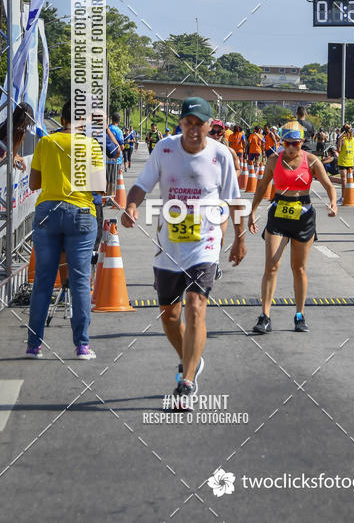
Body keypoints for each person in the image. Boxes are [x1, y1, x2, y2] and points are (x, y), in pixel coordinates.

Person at [121, 97, 246, 406]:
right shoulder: (164, 149)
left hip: (205, 243)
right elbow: (142, 184)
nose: (193, 129)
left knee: (195, 306)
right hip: (170, 244)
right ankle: (191, 356)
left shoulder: (221, 156)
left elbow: (233, 200)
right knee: (169, 315)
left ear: (209, 125)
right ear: (181, 123)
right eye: (188, 123)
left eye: (199, 124)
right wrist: (131, 205)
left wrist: (240, 237)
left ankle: (187, 382)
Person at [26, 100, 105, 359]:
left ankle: (33, 346)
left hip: (47, 212)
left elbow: (35, 183)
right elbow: (99, 188)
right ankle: (82, 345)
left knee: (43, 281)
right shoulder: (91, 144)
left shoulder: (46, 142)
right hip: (81, 213)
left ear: (62, 118)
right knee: (81, 280)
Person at [248, 121, 337, 334]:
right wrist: (252, 212)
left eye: (295, 144)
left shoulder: (312, 161)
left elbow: (328, 185)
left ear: (302, 143)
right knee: (271, 265)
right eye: (287, 143)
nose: (290, 148)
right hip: (279, 213)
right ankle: (265, 316)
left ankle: (299, 315)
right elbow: (261, 186)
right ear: (281, 142)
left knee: (299, 268)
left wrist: (333, 203)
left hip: (303, 216)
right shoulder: (273, 160)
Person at [0, 101, 34, 171]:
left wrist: (17, 158)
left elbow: (12, 154)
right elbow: (11, 157)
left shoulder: (5, 124)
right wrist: (18, 160)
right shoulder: (20, 132)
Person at [337, 123, 354, 197]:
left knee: (344, 179)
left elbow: (339, 150)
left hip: (343, 161)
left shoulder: (341, 139)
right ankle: (350, 196)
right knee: (350, 179)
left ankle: (343, 196)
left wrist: (339, 141)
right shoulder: (353, 139)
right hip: (350, 161)